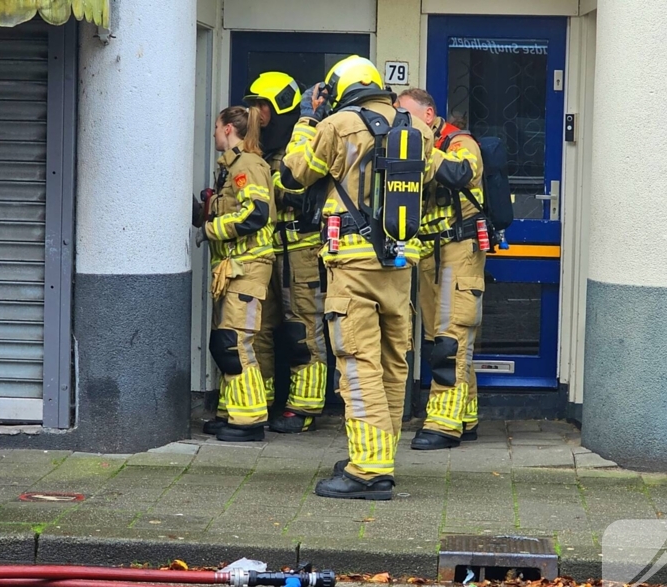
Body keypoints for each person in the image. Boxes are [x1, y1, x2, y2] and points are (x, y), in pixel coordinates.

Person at [280, 56, 473, 499]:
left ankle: (366, 471)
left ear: (342, 88)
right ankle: (378, 456)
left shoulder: (339, 124)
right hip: (400, 264)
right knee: (391, 362)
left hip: (352, 266)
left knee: (358, 362)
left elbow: (293, 175)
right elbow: (442, 175)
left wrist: (309, 118)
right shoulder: (415, 126)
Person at [397, 88, 487, 451]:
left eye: (407, 116)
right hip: (431, 255)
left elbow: (461, 173)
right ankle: (465, 416)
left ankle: (444, 425)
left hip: (459, 251)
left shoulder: (460, 143)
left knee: (450, 340)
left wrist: (421, 150)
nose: (401, 124)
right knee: (441, 339)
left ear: (429, 115)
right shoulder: (419, 148)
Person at [244, 73, 329, 434]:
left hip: (302, 252)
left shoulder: (305, 144)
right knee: (259, 329)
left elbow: (291, 191)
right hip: (267, 252)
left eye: (262, 107)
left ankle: (304, 407)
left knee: (303, 330)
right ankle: (258, 402)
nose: (257, 116)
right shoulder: (260, 151)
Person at [193, 106, 276, 442]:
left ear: (229, 130)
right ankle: (231, 412)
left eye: (215, 127)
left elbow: (255, 214)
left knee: (236, 343)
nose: (213, 133)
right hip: (232, 269)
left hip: (249, 267)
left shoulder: (248, 166)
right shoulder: (231, 169)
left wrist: (211, 229)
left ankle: (249, 421)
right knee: (223, 343)